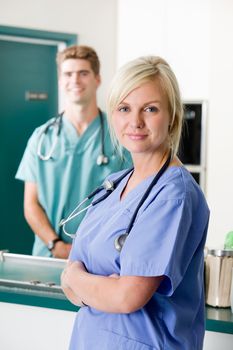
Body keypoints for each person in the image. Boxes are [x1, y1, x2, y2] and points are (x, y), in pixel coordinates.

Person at [61, 56, 210, 350]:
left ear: (173, 117)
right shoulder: (114, 184)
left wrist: (79, 277)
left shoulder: (173, 195)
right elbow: (69, 288)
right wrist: (88, 282)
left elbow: (125, 298)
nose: (135, 122)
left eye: (150, 109)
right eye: (124, 108)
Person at [15, 45, 131, 259]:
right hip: (48, 255)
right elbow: (30, 204)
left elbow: (132, 199)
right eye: (68, 74)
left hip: (99, 256)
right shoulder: (41, 138)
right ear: (60, 81)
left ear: (97, 79)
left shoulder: (120, 136)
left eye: (83, 73)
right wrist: (55, 244)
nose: (75, 80)